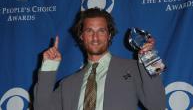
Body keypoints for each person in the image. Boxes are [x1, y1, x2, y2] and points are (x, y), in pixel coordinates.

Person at [34, 8, 166, 110]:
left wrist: (150, 57)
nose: (95, 37)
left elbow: (157, 105)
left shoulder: (133, 68)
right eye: (89, 31)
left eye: (101, 31)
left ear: (109, 35)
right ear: (81, 36)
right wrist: (48, 67)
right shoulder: (68, 84)